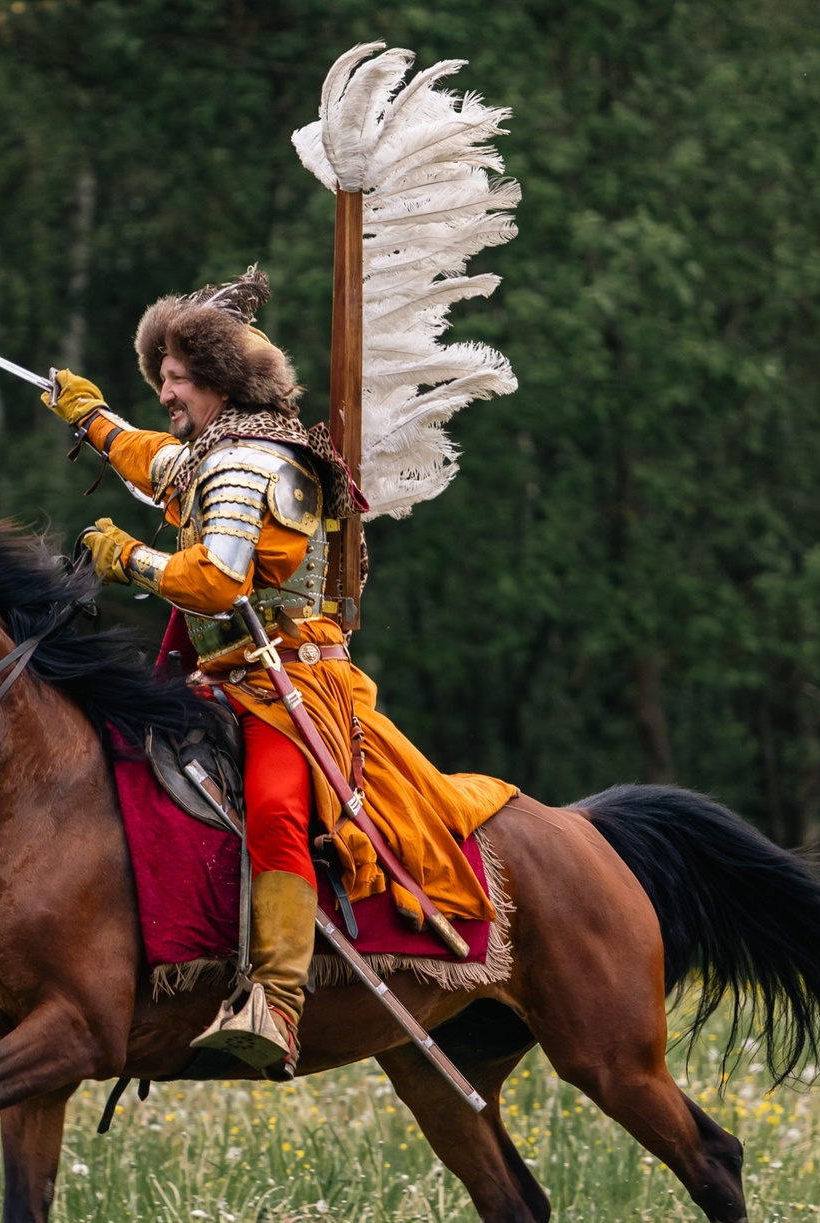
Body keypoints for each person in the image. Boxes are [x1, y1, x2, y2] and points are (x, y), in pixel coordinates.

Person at [42, 269, 510, 1072]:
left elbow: (217, 581)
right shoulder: (211, 453)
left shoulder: (260, 463)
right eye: (162, 380)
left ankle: (278, 1002)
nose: (166, 395)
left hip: (291, 685)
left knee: (275, 810)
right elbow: (153, 458)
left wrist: (130, 557)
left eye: (178, 379)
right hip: (226, 678)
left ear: (222, 383)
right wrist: (90, 418)